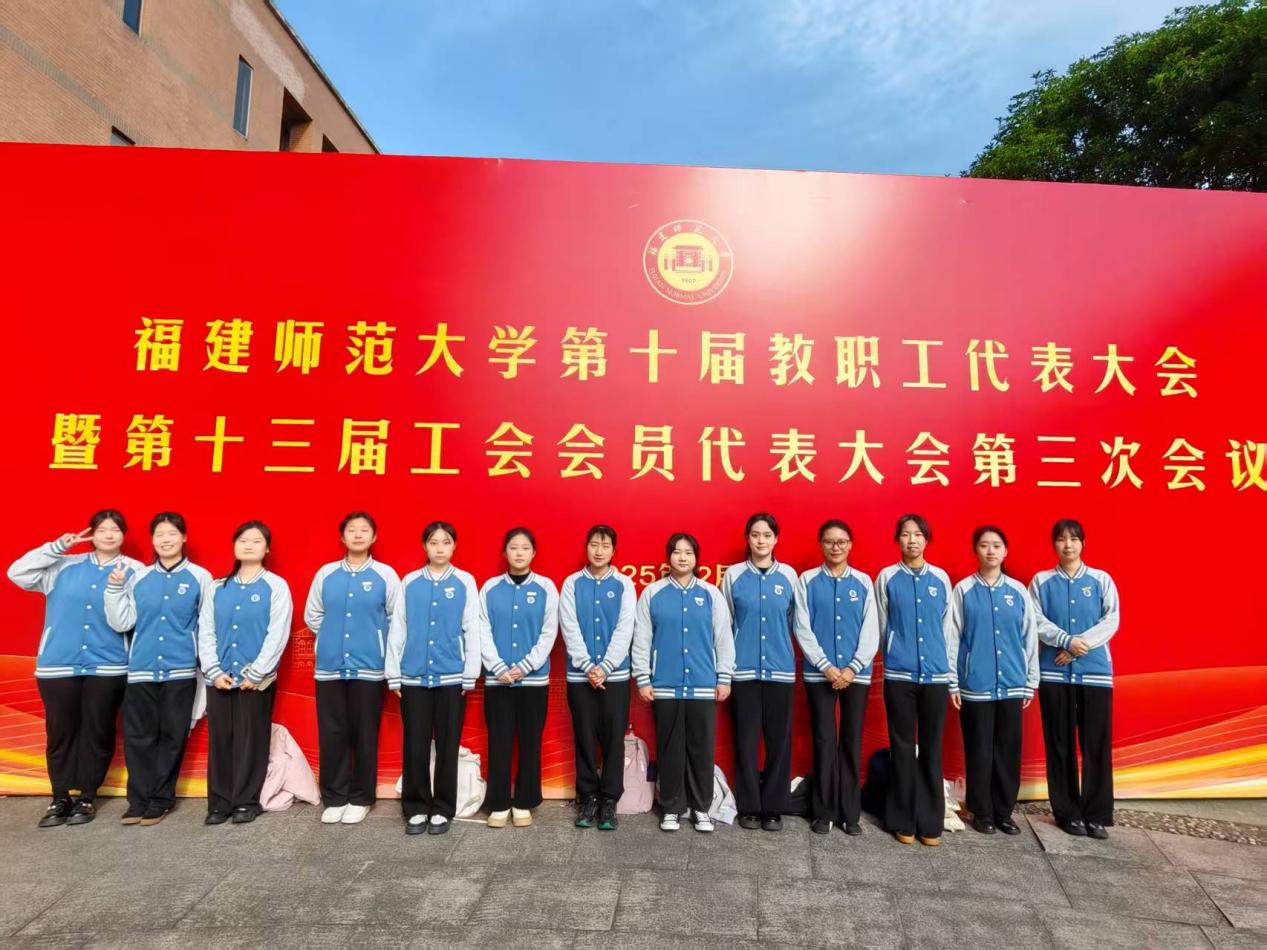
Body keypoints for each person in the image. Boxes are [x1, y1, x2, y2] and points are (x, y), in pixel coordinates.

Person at [8, 510, 142, 827]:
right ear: (91, 533)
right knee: (60, 731)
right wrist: (56, 547)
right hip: (58, 664)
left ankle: (86, 797)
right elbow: (17, 573)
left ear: (123, 535)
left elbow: (132, 618)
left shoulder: (136, 571)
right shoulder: (63, 565)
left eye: (115, 529)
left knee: (98, 731)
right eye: (102, 529)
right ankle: (59, 797)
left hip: (108, 665)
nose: (108, 534)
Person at [103, 512, 213, 825]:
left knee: (172, 736)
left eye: (172, 533)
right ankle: (138, 800)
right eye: (159, 534)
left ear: (184, 537)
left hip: (180, 671)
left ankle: (161, 799)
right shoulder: (138, 577)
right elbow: (122, 622)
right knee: (138, 737)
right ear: (152, 540)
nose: (166, 540)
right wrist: (113, 590)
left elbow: (206, 625)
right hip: (140, 669)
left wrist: (206, 666)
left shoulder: (200, 577)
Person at [631, 532, 734, 833]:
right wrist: (643, 677)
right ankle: (672, 807)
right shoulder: (653, 593)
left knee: (701, 748)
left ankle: (701, 808)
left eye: (688, 552)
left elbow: (723, 638)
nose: (683, 557)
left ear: (696, 558)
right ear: (669, 557)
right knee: (670, 748)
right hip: (665, 685)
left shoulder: (711, 594)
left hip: (703, 684)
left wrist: (724, 677)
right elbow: (642, 639)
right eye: (677, 552)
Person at [303, 512, 401, 826]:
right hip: (330, 667)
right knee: (332, 732)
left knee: (364, 733)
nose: (358, 535)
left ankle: (360, 798)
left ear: (374, 537)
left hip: (370, 667)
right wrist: (330, 637)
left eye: (364, 530)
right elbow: (313, 614)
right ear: (342, 537)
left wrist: (374, 641)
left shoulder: (385, 575)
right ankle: (334, 797)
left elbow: (396, 618)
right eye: (351, 530)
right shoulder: (326, 573)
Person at [385, 520, 480, 836]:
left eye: (446, 542)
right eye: (434, 542)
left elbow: (472, 629)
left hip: (452, 677)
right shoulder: (410, 582)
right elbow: (398, 628)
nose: (440, 548)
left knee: (448, 746)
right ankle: (416, 808)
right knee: (415, 744)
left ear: (454, 546)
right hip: (413, 678)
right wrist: (394, 674)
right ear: (424, 546)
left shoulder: (465, 581)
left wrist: (470, 674)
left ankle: (442, 809)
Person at [1029, 518, 1120, 840]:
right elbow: (1035, 619)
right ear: (1053, 544)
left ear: (1083, 543)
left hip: (1095, 673)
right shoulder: (1041, 581)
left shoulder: (1100, 580)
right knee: (1059, 743)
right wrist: (1065, 640)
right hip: (1054, 673)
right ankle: (1067, 813)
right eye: (1061, 539)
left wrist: (1080, 646)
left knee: (1096, 744)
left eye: (1074, 539)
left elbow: (1111, 619)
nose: (1068, 545)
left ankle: (1096, 815)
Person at [945, 525, 1039, 836]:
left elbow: (1029, 637)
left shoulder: (1018, 591)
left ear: (1005, 551)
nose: (990, 551)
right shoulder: (963, 590)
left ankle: (1004, 812)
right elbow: (953, 638)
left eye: (996, 545)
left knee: (1008, 750)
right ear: (976, 550)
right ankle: (981, 811)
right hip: (975, 684)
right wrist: (953, 681)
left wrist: (1031, 681)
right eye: (984, 545)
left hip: (1012, 682)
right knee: (979, 750)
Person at [197, 520, 293, 825]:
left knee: (252, 739)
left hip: (257, 680)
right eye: (242, 540)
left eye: (256, 541)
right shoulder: (216, 587)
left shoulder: (276, 586)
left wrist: (258, 672)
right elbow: (206, 630)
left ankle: (246, 801)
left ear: (267, 549)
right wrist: (213, 670)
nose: (248, 545)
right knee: (221, 739)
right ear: (234, 546)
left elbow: (277, 632)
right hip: (219, 677)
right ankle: (219, 803)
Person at [793, 518, 878, 835]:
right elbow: (802, 626)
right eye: (829, 541)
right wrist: (825, 666)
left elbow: (871, 628)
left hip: (857, 675)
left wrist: (853, 667)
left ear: (850, 545)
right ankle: (823, 811)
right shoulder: (807, 580)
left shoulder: (864, 582)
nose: (836, 546)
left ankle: (850, 813)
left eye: (842, 541)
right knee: (824, 739)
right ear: (821, 545)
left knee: (851, 740)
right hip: (820, 674)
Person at [875, 513, 952, 846]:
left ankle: (931, 822)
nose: (912, 540)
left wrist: (949, 673)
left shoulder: (940, 578)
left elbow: (948, 629)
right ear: (897, 540)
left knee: (932, 747)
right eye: (906, 534)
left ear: (926, 539)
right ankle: (902, 819)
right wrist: (895, 651)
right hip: (899, 674)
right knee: (902, 747)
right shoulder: (887, 577)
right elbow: (881, 625)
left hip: (936, 676)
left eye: (918, 534)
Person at [721, 512, 798, 831]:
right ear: (747, 538)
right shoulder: (734, 575)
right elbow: (725, 625)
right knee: (746, 741)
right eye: (755, 535)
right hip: (743, 672)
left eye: (767, 535)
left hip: (781, 671)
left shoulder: (789, 576)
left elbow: (795, 622)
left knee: (779, 742)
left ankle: (774, 808)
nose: (761, 540)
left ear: (776, 539)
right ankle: (750, 807)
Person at [478, 527, 559, 828]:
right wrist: (497, 667)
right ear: (505, 552)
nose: (519, 553)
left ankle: (524, 801)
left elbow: (549, 632)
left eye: (525, 548)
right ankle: (499, 803)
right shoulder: (490, 588)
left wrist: (526, 666)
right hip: (498, 680)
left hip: (533, 682)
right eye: (513, 547)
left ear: (533, 553)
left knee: (530, 741)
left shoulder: (546, 588)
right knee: (498, 741)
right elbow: (482, 629)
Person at [559, 524, 635, 831]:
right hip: (580, 677)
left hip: (615, 677)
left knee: (614, 739)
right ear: (586, 547)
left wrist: (605, 666)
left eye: (605, 546)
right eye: (594, 544)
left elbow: (625, 628)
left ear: (614, 551)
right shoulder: (572, 583)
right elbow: (569, 626)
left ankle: (609, 801)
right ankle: (587, 797)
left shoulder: (624, 584)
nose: (599, 551)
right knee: (584, 737)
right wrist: (587, 665)